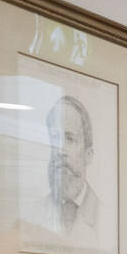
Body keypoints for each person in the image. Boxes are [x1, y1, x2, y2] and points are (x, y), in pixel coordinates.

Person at [42, 95, 101, 240]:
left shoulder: (107, 217)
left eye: (70, 139)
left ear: (88, 155)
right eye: (55, 138)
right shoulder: (31, 215)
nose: (60, 150)